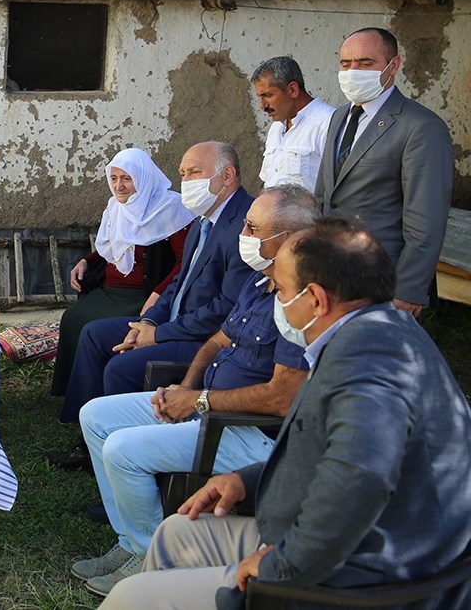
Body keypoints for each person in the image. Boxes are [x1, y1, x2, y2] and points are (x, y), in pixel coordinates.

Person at [101, 214, 471, 610]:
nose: (274, 300)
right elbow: (334, 449)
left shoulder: (368, 362)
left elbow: (362, 477)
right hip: (335, 541)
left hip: (365, 576)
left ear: (315, 298)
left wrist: (282, 563)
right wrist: (248, 481)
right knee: (176, 532)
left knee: (129, 597)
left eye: (278, 289)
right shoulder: (378, 330)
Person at [71, 184, 317, 597]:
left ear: (288, 238)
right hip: (207, 406)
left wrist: (199, 401)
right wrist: (184, 387)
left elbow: (282, 398)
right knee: (95, 416)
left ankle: (148, 559)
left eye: (253, 228)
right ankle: (130, 541)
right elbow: (220, 339)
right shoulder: (261, 282)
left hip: (247, 432)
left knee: (122, 451)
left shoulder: (302, 303)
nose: (243, 233)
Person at [53, 141, 256, 438]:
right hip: (172, 321)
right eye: (182, 174)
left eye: (194, 172)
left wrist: (158, 334)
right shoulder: (204, 220)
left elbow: (226, 307)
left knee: (119, 367)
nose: (185, 182)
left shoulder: (244, 224)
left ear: (227, 176)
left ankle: (123, 447)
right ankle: (86, 430)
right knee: (95, 334)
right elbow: (179, 281)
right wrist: (147, 322)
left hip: (204, 337)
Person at [314, 27, 453, 318]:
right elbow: (325, 195)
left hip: (381, 279)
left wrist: (408, 289)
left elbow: (426, 220)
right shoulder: (339, 116)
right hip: (329, 270)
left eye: (365, 63)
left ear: (394, 66)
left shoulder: (421, 127)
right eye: (345, 64)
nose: (353, 71)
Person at [50, 148, 194, 397]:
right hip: (110, 288)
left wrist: (159, 294)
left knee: (94, 326)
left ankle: (94, 395)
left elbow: (186, 260)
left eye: (127, 179)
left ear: (144, 178)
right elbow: (114, 246)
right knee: (73, 316)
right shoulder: (115, 207)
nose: (119, 186)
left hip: (143, 294)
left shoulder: (171, 210)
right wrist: (86, 261)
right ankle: (72, 389)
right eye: (114, 178)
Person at [250, 56, 334, 192]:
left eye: (268, 95)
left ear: (293, 90)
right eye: (260, 97)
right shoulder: (276, 128)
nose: (262, 105)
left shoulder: (327, 123)